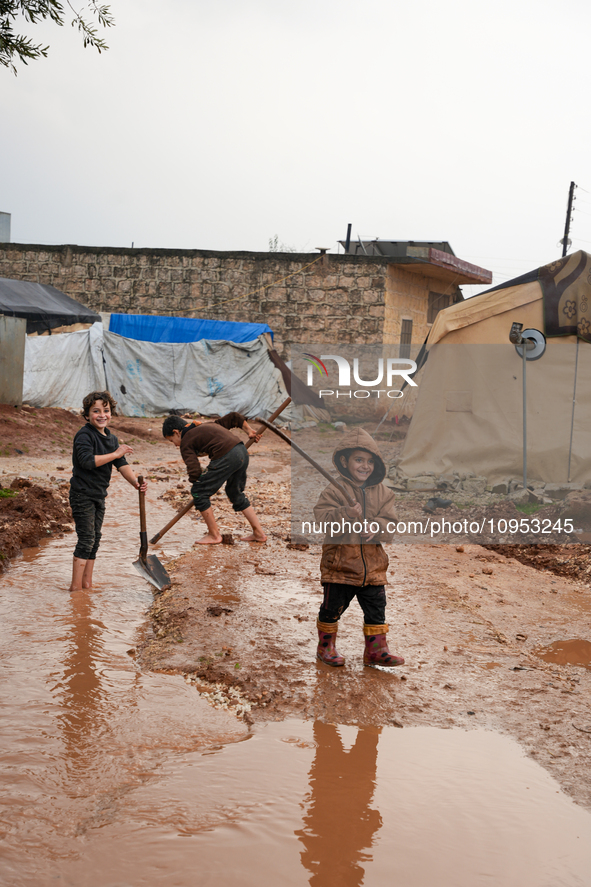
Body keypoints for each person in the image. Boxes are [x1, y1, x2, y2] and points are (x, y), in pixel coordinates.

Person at [313, 427, 404, 668]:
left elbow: (391, 522)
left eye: (370, 461)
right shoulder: (334, 490)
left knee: (376, 610)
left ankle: (376, 650)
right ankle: (326, 647)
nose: (365, 466)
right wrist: (345, 513)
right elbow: (323, 520)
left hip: (373, 568)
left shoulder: (384, 493)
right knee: (332, 610)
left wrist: (376, 526)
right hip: (340, 566)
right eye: (359, 460)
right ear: (345, 461)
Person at [69, 390, 147, 592]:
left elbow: (122, 464)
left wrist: (135, 484)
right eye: (96, 411)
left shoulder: (111, 439)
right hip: (82, 495)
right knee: (86, 539)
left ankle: (87, 585)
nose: (102, 415)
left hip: (98, 495)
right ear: (87, 415)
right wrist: (115, 453)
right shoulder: (84, 435)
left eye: (106, 410)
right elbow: (87, 461)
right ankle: (75, 589)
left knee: (95, 540)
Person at [162, 412, 267, 545]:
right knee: (235, 492)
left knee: (199, 492)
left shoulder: (186, 441)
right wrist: (249, 431)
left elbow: (194, 469)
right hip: (242, 452)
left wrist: (199, 485)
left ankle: (214, 535)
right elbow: (233, 417)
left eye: (172, 441)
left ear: (177, 432)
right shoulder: (208, 425)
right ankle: (259, 533)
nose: (176, 445)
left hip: (227, 456)